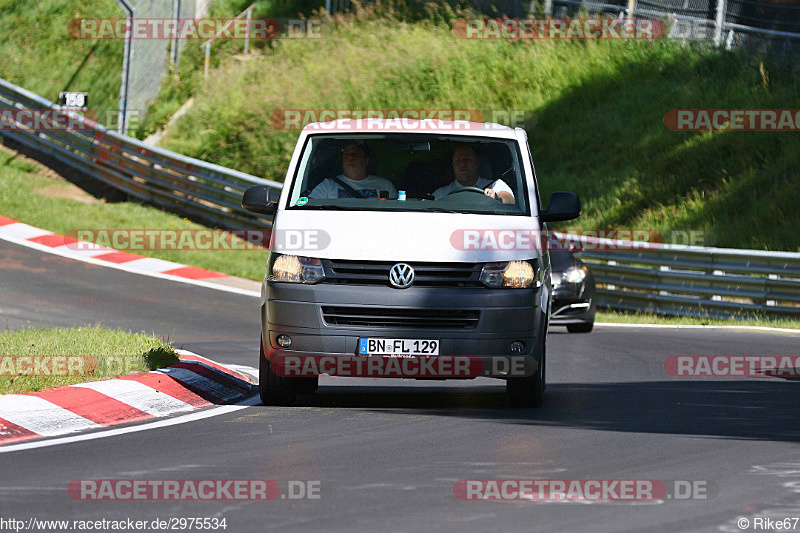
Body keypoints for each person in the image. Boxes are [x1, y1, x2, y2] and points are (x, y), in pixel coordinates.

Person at [308, 142, 397, 199]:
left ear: (366, 160)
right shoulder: (327, 186)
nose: (350, 157)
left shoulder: (385, 185)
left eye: (355, 154)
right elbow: (309, 208)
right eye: (346, 154)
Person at [433, 145, 514, 204]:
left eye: (467, 160)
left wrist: (496, 197)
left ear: (476, 163)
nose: (462, 165)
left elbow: (509, 199)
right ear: (453, 165)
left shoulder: (494, 185)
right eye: (458, 161)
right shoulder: (442, 194)